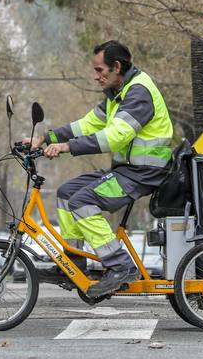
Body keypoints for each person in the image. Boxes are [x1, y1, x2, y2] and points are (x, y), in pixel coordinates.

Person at [33, 40, 174, 298]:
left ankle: (120, 266)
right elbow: (86, 125)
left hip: (144, 173)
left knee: (82, 202)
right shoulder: (116, 96)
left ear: (116, 67)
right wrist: (46, 138)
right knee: (66, 192)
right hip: (127, 170)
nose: (95, 76)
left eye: (100, 70)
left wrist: (67, 147)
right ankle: (74, 264)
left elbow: (115, 137)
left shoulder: (138, 92)